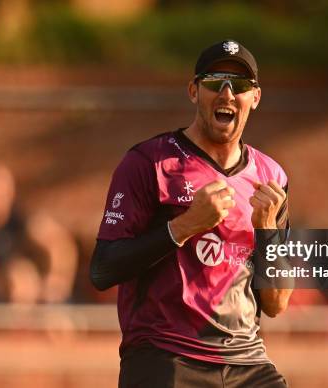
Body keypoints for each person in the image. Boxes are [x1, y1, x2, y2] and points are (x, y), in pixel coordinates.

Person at [91, 40, 292, 387]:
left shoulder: (271, 178)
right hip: (165, 357)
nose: (227, 93)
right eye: (215, 81)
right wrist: (184, 226)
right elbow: (103, 269)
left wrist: (267, 234)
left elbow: (275, 304)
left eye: (240, 85)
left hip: (247, 361)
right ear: (194, 91)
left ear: (255, 98)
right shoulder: (149, 163)